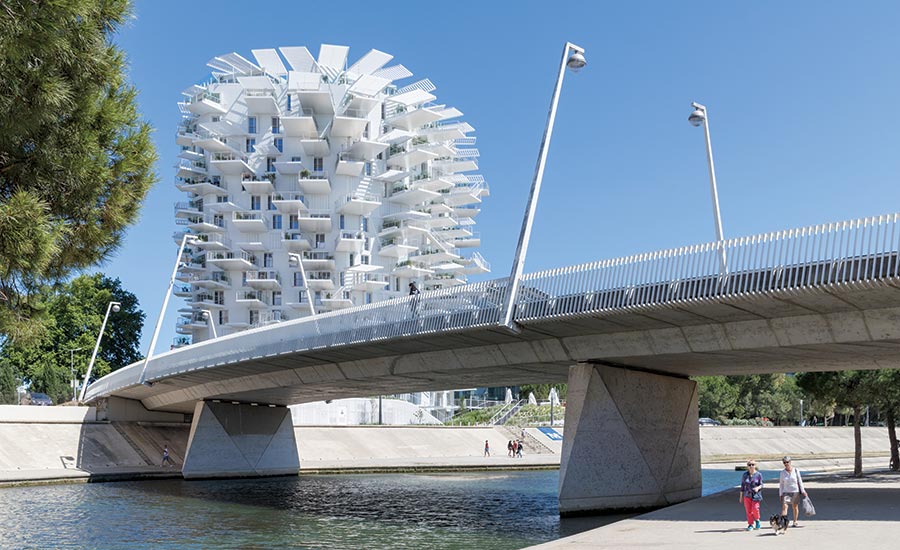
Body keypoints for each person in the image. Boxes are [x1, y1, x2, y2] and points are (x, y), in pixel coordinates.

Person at [779, 456, 806, 527]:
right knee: (785, 507)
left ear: (790, 462)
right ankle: (783, 522)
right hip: (786, 492)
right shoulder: (782, 473)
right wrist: (780, 494)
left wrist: (803, 491)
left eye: (787, 462)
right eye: (784, 462)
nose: (786, 464)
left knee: (795, 507)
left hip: (795, 491)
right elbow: (781, 484)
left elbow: (800, 481)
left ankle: (795, 521)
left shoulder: (796, 470)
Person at [739, 459, 763, 530]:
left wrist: (758, 488)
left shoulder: (758, 474)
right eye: (749, 465)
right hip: (747, 495)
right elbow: (742, 485)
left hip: (756, 495)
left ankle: (757, 520)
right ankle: (750, 524)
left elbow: (761, 484)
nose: (751, 466)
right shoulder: (745, 475)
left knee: (755, 509)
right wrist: (741, 496)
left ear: (755, 466)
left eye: (753, 464)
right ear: (747, 466)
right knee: (748, 510)